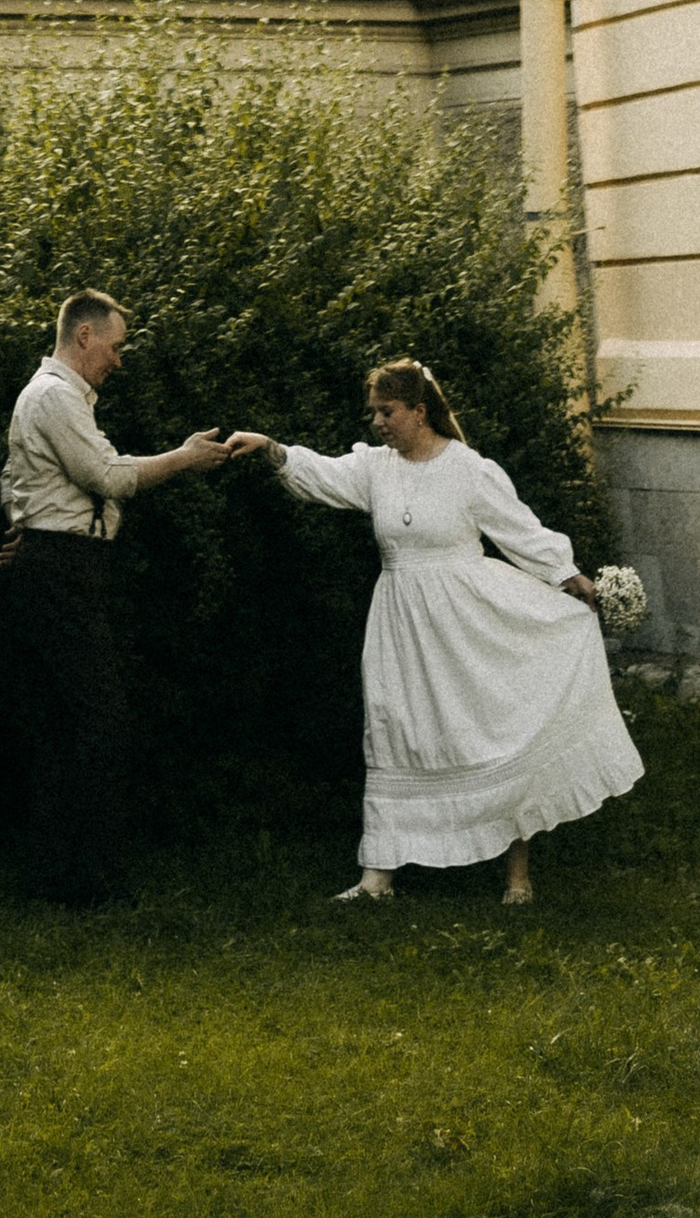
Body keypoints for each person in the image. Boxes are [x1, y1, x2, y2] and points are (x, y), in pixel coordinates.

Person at [231, 357, 641, 905]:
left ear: (419, 411)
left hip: (469, 621)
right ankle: (378, 876)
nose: (377, 422)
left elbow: (519, 529)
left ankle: (517, 875)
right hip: (400, 623)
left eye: (387, 411)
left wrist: (567, 575)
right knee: (397, 727)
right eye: (374, 412)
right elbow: (322, 475)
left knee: (491, 725)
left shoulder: (468, 469)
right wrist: (270, 448)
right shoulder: (375, 468)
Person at [0, 289, 232, 905]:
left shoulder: (51, 397)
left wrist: (23, 525)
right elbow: (108, 476)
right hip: (62, 569)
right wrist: (184, 457)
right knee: (97, 720)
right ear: (84, 336)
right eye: (116, 345)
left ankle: (55, 878)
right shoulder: (54, 397)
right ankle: (93, 883)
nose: (119, 359)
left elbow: (13, 476)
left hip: (58, 563)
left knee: (63, 724)